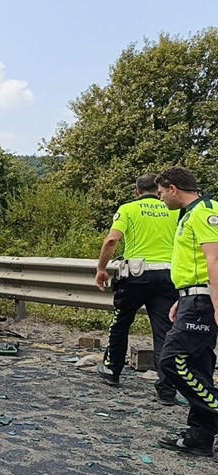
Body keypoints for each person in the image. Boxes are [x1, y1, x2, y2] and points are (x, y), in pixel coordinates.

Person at [93, 174, 179, 402]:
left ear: (136, 191)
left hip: (136, 275)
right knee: (165, 331)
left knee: (121, 323)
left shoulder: (128, 209)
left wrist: (101, 268)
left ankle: (112, 370)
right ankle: (167, 389)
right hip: (168, 275)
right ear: (157, 190)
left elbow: (112, 240)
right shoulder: (173, 209)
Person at [154, 166, 218, 457]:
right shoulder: (189, 214)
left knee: (171, 360)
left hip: (203, 304)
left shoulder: (205, 211)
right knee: (200, 366)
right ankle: (200, 437)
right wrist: (184, 295)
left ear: (172, 188)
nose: (161, 199)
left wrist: (214, 302)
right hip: (194, 298)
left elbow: (214, 260)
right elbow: (198, 265)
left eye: (161, 192)